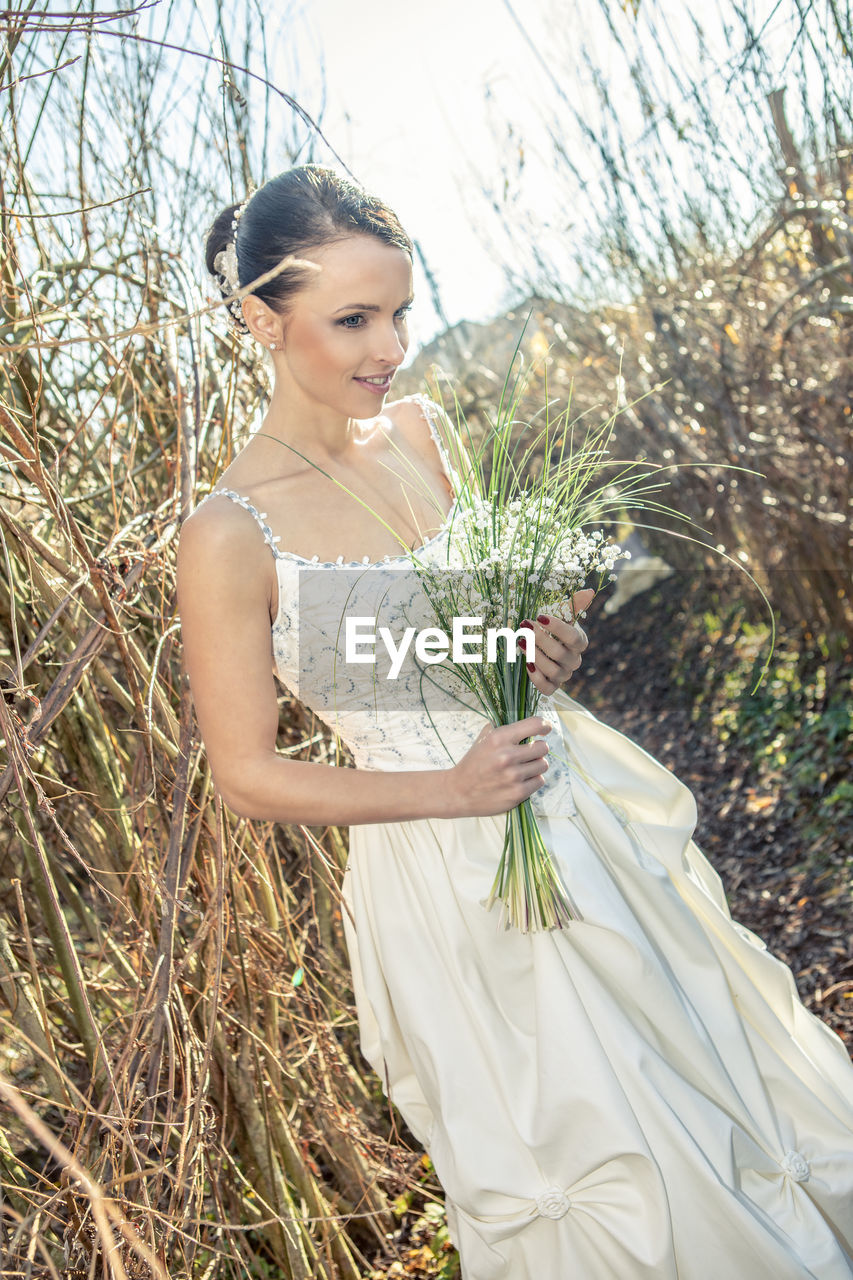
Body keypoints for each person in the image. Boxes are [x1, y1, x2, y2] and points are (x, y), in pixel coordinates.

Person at [177, 164, 853, 1280]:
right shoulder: (227, 533)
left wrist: (545, 649)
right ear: (260, 317)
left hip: (574, 816)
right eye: (352, 319)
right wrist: (448, 789)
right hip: (446, 882)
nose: (387, 345)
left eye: (397, 310)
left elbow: (495, 639)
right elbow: (248, 774)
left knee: (714, 1084)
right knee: (591, 1154)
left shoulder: (423, 433)